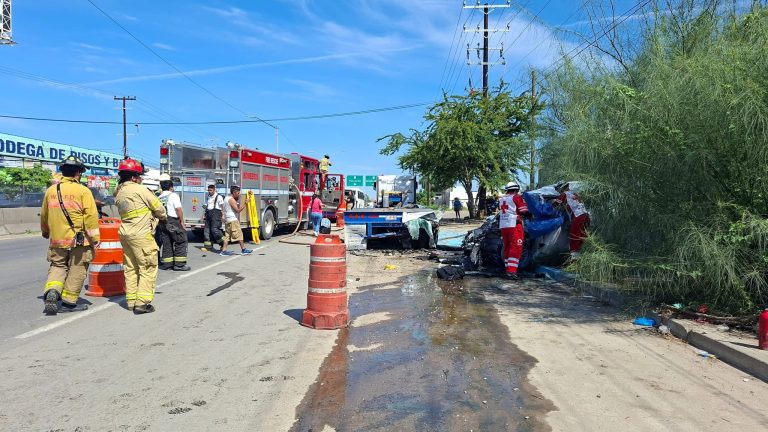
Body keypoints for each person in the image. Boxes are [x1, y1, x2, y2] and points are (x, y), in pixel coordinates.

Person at [40, 156, 100, 315]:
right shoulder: (83, 191)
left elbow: (44, 214)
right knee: (77, 268)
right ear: (78, 173)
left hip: (57, 239)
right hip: (78, 241)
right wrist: (95, 238)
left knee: (57, 266)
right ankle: (69, 302)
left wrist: (45, 231)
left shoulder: (51, 191)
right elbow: (90, 217)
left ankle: (53, 290)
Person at [115, 158, 167, 314]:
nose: (141, 178)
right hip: (141, 235)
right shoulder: (140, 190)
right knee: (148, 267)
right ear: (134, 177)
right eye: (139, 176)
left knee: (131, 268)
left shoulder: (119, 192)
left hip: (125, 233)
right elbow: (159, 209)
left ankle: (131, 301)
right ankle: (142, 303)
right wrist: (162, 217)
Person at [498, 182, 530, 279]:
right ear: (516, 190)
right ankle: (512, 272)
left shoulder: (502, 199)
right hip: (514, 225)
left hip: (504, 226)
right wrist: (531, 215)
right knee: (516, 247)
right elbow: (523, 211)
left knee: (507, 247)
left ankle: (507, 269)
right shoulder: (516, 197)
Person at [157, 177, 190, 271]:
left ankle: (168, 264)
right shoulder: (173, 195)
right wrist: (182, 222)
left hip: (162, 222)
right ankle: (179, 265)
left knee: (167, 243)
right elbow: (178, 209)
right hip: (172, 221)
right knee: (181, 240)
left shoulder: (159, 198)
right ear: (171, 187)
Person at [554, 182, 590, 259]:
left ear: (561, 188)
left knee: (574, 235)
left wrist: (546, 208)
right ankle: (585, 253)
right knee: (582, 234)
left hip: (578, 215)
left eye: (559, 190)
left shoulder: (564, 194)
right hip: (586, 215)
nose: (559, 192)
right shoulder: (574, 193)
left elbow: (555, 204)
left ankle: (575, 258)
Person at [219, 185, 253, 256]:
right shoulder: (231, 200)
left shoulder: (226, 198)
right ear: (234, 192)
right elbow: (237, 211)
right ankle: (243, 250)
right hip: (233, 220)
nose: (239, 195)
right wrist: (245, 204)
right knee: (239, 235)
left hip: (228, 219)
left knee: (227, 236)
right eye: (238, 193)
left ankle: (224, 251)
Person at [202, 184, 225, 252]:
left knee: (214, 230)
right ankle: (208, 246)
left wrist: (223, 215)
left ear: (214, 190)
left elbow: (222, 207)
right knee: (207, 231)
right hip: (208, 214)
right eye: (208, 190)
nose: (209, 191)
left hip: (216, 215)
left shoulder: (219, 197)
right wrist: (203, 214)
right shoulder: (208, 197)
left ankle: (223, 244)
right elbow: (206, 206)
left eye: (210, 190)